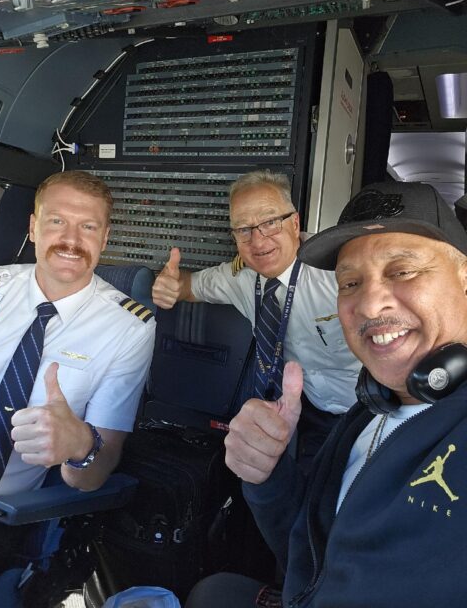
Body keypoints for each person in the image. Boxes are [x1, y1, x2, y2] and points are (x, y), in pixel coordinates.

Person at [185, 180, 467, 608]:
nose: (371, 305)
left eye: (403, 271)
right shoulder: (370, 414)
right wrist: (268, 475)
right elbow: (310, 545)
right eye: (350, 283)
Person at [0, 170, 155, 583]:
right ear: (33, 226)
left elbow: (97, 470)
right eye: (57, 220)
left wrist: (79, 444)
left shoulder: (130, 327)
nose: (71, 239)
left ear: (105, 236)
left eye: (88, 226)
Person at [152, 170, 360, 466]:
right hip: (306, 413)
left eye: (270, 222)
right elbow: (187, 285)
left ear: (295, 223)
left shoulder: (337, 271)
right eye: (243, 229)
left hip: (369, 409)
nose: (258, 239)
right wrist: (169, 285)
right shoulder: (240, 278)